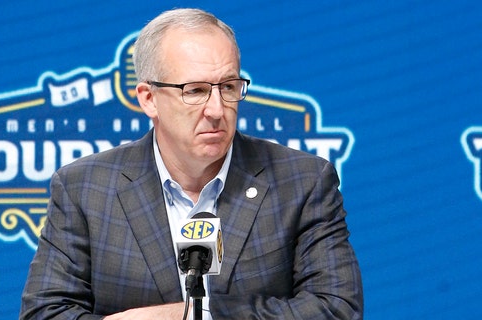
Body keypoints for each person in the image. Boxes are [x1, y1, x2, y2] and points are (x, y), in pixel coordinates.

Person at [20, 7, 363, 320]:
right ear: (149, 98)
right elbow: (43, 313)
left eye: (228, 86)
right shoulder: (85, 188)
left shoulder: (302, 182)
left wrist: (196, 314)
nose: (217, 109)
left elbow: (336, 309)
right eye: (195, 91)